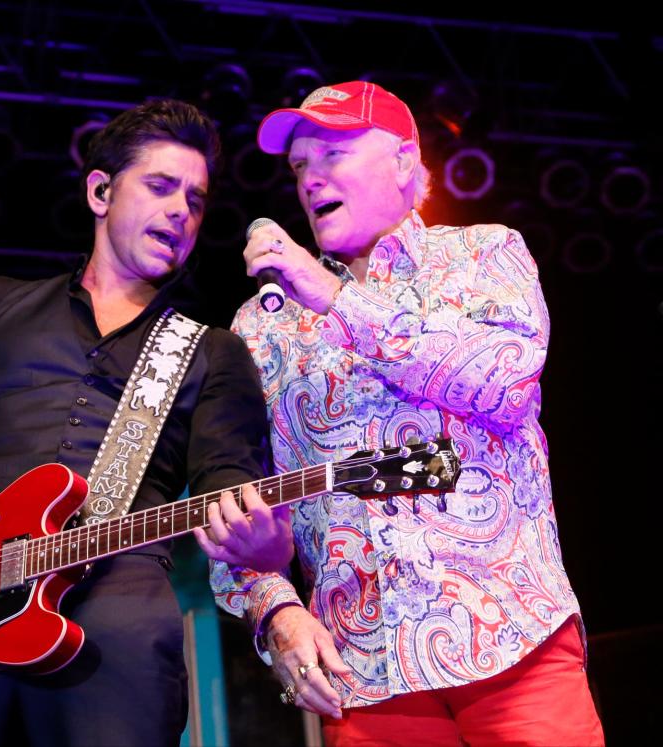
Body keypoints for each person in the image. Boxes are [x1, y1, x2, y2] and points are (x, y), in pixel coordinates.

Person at [0, 99, 270, 747]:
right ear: (100, 191)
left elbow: (234, 487)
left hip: (113, 626)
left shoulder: (212, 352)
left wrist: (258, 532)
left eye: (196, 200)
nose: (181, 211)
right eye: (161, 186)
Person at [195, 81, 605, 746]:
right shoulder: (262, 325)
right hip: (366, 678)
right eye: (299, 165)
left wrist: (337, 299)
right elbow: (234, 504)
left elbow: (506, 383)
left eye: (332, 153)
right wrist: (278, 615)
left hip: (513, 644)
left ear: (406, 164)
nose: (310, 177)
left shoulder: (482, 255)